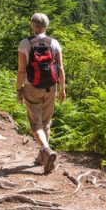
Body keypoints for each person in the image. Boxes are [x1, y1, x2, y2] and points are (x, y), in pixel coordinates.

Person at [16, 13, 66, 174]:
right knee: (46, 122)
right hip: (51, 87)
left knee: (35, 124)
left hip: (32, 86)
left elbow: (21, 70)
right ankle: (42, 157)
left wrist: (18, 90)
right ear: (47, 26)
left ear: (32, 25)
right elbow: (60, 68)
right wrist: (62, 89)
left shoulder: (25, 43)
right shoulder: (54, 43)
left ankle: (46, 149)